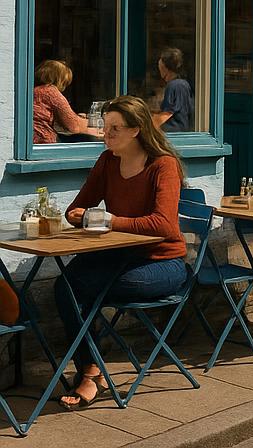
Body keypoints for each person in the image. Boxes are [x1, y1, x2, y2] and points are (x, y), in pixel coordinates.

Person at [56, 96, 187, 410]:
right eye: (105, 126)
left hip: (163, 263)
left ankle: (90, 370)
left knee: (85, 287)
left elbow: (164, 226)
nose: (105, 134)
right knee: (65, 287)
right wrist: (79, 216)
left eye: (114, 128)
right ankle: (90, 369)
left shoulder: (163, 165)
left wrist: (111, 220)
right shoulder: (107, 161)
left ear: (136, 130)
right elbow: (76, 209)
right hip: (120, 255)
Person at [33, 60, 97, 144]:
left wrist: (78, 118)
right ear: (59, 79)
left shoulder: (35, 91)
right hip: (44, 143)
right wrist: (95, 124)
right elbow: (73, 125)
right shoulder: (50, 91)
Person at [154, 48, 194, 132]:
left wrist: (147, 127)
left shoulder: (175, 85)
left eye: (160, 65)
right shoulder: (181, 84)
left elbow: (167, 113)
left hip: (174, 133)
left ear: (165, 67)